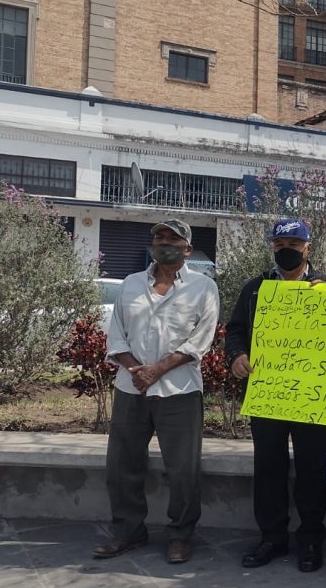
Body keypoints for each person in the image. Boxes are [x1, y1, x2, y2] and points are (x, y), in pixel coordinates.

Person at [94, 219, 219, 564]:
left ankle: (180, 535)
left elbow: (201, 340)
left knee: (182, 469)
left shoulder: (203, 287)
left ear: (187, 250)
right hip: (130, 387)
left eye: (173, 239)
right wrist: (137, 369)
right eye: (159, 237)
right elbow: (116, 334)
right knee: (122, 464)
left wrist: (158, 370)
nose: (164, 242)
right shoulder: (131, 284)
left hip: (179, 390)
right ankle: (128, 530)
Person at [224, 219, 326, 572]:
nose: (286, 249)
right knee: (268, 467)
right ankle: (272, 536)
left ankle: (311, 538)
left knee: (311, 470)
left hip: (311, 395)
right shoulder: (255, 289)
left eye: (293, 243)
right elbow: (235, 330)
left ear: (307, 248)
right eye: (280, 242)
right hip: (268, 395)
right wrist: (237, 355)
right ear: (272, 246)